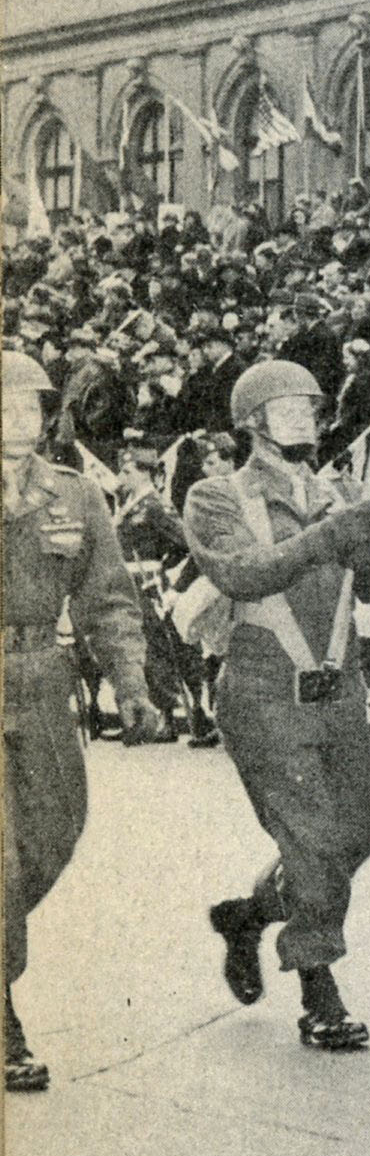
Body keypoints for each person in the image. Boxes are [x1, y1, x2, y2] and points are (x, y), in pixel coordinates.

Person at [182, 359, 370, 1053]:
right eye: (287, 410)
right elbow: (242, 571)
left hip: (336, 687)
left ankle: (252, 913)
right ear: (253, 425)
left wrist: (367, 541)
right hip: (263, 689)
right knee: (310, 839)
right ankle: (319, 984)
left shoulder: (342, 489)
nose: (304, 418)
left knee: (355, 833)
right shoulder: (216, 496)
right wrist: (329, 535)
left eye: (310, 408)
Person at [4, 350, 163, 1092]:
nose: (18, 420)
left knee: (56, 828)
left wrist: (131, 682)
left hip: (42, 681)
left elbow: (107, 595)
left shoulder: (72, 494)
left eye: (30, 406)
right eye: (3, 406)